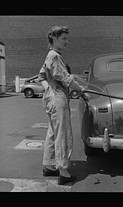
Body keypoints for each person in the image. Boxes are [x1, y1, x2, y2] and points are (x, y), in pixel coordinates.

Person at [38, 26, 88, 185]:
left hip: (51, 97)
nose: (67, 41)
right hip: (58, 98)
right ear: (54, 38)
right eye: (64, 38)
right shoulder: (55, 56)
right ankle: (63, 171)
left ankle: (49, 165)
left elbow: (41, 76)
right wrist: (81, 90)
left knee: (53, 132)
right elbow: (66, 79)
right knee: (63, 134)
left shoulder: (50, 56)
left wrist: (48, 89)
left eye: (67, 38)